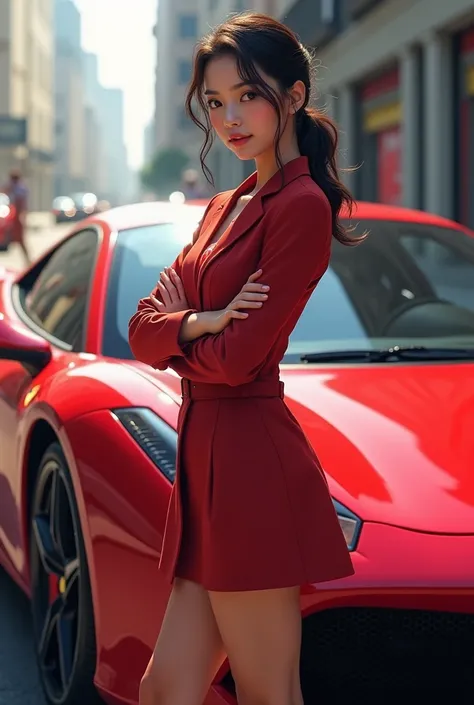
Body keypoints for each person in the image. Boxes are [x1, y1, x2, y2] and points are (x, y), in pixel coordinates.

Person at [128, 12, 366, 705]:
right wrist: (200, 320)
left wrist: (182, 339)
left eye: (247, 95)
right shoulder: (223, 205)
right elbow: (140, 328)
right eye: (214, 101)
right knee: (165, 690)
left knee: (266, 692)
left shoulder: (299, 207)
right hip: (206, 468)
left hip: (252, 472)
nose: (229, 117)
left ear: (292, 96)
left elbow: (236, 363)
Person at [1, 168, 30, 264]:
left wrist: (22, 216)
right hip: (11, 214)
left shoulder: (19, 188)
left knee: (20, 240)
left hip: (17, 215)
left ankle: (28, 261)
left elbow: (21, 203)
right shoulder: (12, 186)